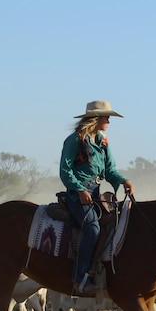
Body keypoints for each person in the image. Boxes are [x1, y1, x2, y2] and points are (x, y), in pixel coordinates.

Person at [59, 100, 134, 295]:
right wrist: (79, 190)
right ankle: (80, 278)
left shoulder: (102, 141)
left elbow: (110, 170)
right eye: (106, 116)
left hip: (95, 193)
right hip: (79, 195)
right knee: (92, 227)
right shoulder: (75, 140)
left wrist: (123, 181)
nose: (109, 120)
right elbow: (65, 171)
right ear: (95, 118)